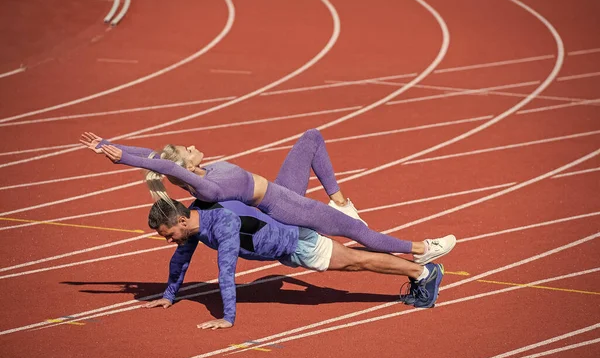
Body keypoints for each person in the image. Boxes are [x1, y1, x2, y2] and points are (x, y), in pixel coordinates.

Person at [80, 129, 455, 262]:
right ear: (187, 167)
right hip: (285, 206)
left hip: (281, 191)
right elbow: (166, 166)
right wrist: (125, 161)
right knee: (354, 232)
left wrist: (108, 146)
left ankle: (341, 200)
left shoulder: (199, 172)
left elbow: (154, 157)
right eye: (189, 149)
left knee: (311, 137)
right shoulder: (203, 185)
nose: (194, 146)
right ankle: (423, 248)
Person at [144, 198, 449, 329]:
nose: (169, 240)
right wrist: (169, 295)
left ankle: (422, 272)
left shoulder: (220, 224)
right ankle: (419, 270)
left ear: (181, 220)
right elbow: (181, 259)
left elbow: (226, 272)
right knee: (355, 259)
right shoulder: (196, 217)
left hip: (295, 242)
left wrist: (228, 318)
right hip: (288, 240)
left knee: (356, 261)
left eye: (168, 234)